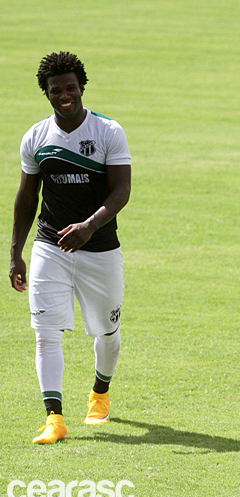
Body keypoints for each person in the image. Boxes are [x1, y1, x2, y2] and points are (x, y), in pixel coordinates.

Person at [9, 51, 132, 444]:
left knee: (107, 332)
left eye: (70, 88)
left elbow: (121, 190)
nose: (64, 95)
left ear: (82, 88)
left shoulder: (108, 131)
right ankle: (54, 419)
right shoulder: (36, 138)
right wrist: (15, 253)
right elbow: (26, 198)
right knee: (46, 333)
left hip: (101, 248)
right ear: (46, 93)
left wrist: (89, 226)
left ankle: (100, 393)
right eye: (55, 90)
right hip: (51, 247)